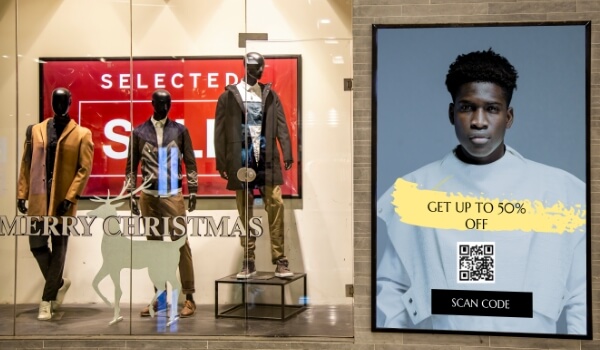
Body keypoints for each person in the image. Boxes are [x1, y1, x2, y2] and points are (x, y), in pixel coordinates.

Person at [376, 49, 587, 334]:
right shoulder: (414, 192)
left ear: (508, 116)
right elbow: (393, 288)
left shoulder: (558, 193)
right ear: (452, 113)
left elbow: (581, 294)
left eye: (491, 108)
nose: (478, 121)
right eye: (466, 107)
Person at [214, 52, 295, 279]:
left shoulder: (269, 94)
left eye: (261, 67)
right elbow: (219, 130)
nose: (259, 71)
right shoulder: (229, 95)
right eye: (255, 67)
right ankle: (248, 259)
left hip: (267, 158)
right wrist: (222, 160)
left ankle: (280, 259)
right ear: (246, 66)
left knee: (276, 205)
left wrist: (286, 152)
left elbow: (281, 124)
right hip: (241, 158)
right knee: (245, 210)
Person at [17, 87, 94, 321]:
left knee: (59, 248)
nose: (59, 105)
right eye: (55, 101)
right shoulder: (35, 130)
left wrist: (71, 197)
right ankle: (59, 283)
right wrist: (22, 193)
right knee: (37, 245)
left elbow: (84, 169)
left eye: (63, 101)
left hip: (62, 201)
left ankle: (46, 300)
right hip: (40, 199)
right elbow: (26, 162)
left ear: (71, 102)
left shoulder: (82, 134)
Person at [125, 89, 198, 318]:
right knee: (154, 247)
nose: (164, 107)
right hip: (148, 195)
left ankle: (189, 297)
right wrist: (130, 194)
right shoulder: (138, 132)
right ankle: (160, 298)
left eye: (168, 103)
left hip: (173, 193)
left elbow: (190, 161)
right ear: (152, 103)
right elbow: (131, 165)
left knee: (181, 244)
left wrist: (193, 190)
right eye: (160, 103)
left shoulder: (179, 130)